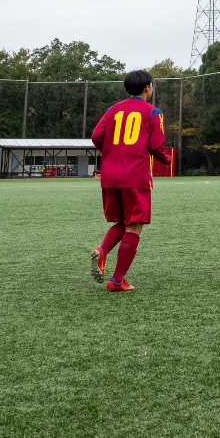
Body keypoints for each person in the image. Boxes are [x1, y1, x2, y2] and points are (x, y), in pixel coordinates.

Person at [89, 69, 171, 292]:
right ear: (147, 88)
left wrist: (112, 151)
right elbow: (155, 145)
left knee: (122, 222)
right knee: (134, 225)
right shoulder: (153, 112)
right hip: (134, 175)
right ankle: (116, 280)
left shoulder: (112, 109)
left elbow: (96, 136)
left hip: (109, 175)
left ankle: (103, 249)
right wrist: (167, 158)